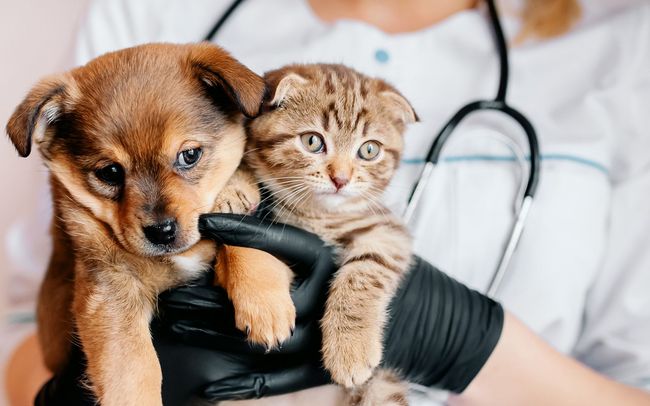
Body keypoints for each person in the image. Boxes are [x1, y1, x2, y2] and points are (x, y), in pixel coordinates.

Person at [6, 0, 650, 404]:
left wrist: (462, 341)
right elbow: (22, 319)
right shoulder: (150, 15)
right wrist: (65, 392)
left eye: (187, 158)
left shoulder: (620, 42)